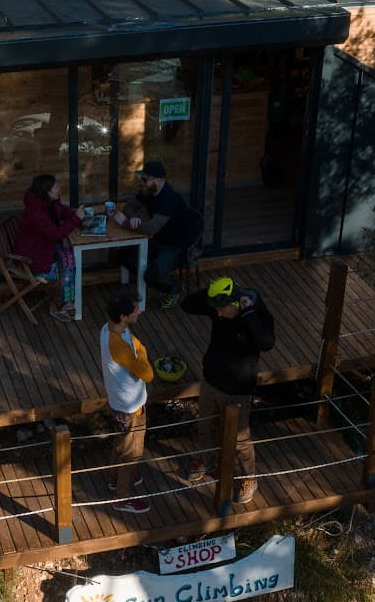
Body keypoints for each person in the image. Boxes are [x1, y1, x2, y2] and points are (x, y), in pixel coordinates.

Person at [179, 277, 275, 505]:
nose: (218, 315)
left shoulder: (254, 312)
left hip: (238, 389)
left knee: (240, 439)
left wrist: (248, 314)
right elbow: (187, 305)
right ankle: (207, 460)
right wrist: (211, 292)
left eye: (222, 310)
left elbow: (267, 342)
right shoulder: (220, 308)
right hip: (211, 381)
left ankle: (248, 477)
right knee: (205, 426)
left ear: (236, 304)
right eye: (216, 309)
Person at [112, 160, 197, 306]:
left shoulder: (170, 199)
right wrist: (133, 218)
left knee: (151, 275)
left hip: (176, 247)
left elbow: (151, 228)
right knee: (123, 254)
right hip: (158, 240)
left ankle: (174, 289)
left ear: (159, 180)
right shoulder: (148, 191)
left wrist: (125, 223)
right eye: (142, 178)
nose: (142, 182)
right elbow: (128, 207)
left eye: (145, 179)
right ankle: (149, 280)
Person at [98, 289, 153, 514]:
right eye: (135, 310)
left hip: (120, 402)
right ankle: (123, 498)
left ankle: (115, 479)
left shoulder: (109, 328)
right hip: (131, 407)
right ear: (123, 316)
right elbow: (148, 373)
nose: (139, 312)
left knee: (121, 444)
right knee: (132, 453)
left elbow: (137, 347)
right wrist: (141, 353)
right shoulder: (119, 345)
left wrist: (138, 353)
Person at [12, 173, 82, 321]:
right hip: (32, 260)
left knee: (69, 258)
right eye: (56, 187)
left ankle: (65, 302)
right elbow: (55, 234)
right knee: (65, 268)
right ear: (46, 191)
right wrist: (76, 219)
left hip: (44, 249)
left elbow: (62, 211)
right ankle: (59, 304)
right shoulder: (35, 213)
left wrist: (77, 216)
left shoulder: (48, 202)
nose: (59, 189)